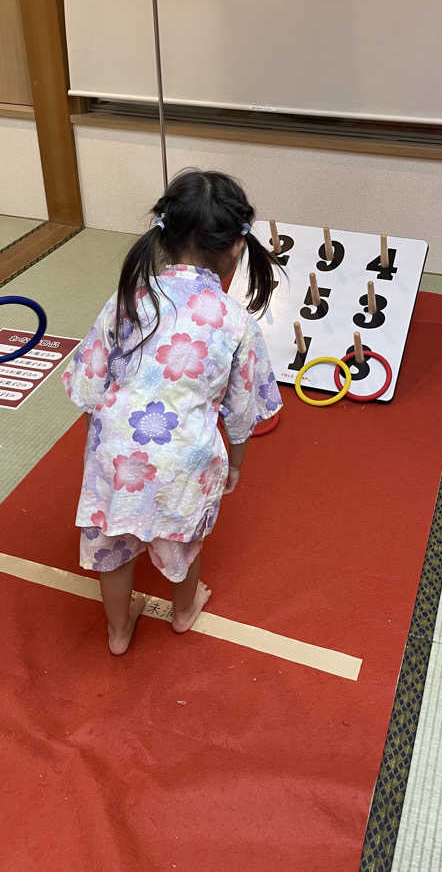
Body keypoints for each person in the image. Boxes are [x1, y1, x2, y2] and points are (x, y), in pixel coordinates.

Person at [64, 170, 282, 655]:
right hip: (185, 457)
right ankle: (183, 611)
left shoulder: (127, 296)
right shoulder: (234, 319)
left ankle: (118, 632)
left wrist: (101, 443)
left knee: (113, 546)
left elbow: (88, 384)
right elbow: (243, 408)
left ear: (162, 236)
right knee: (182, 542)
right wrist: (239, 462)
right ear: (236, 248)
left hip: (117, 453)